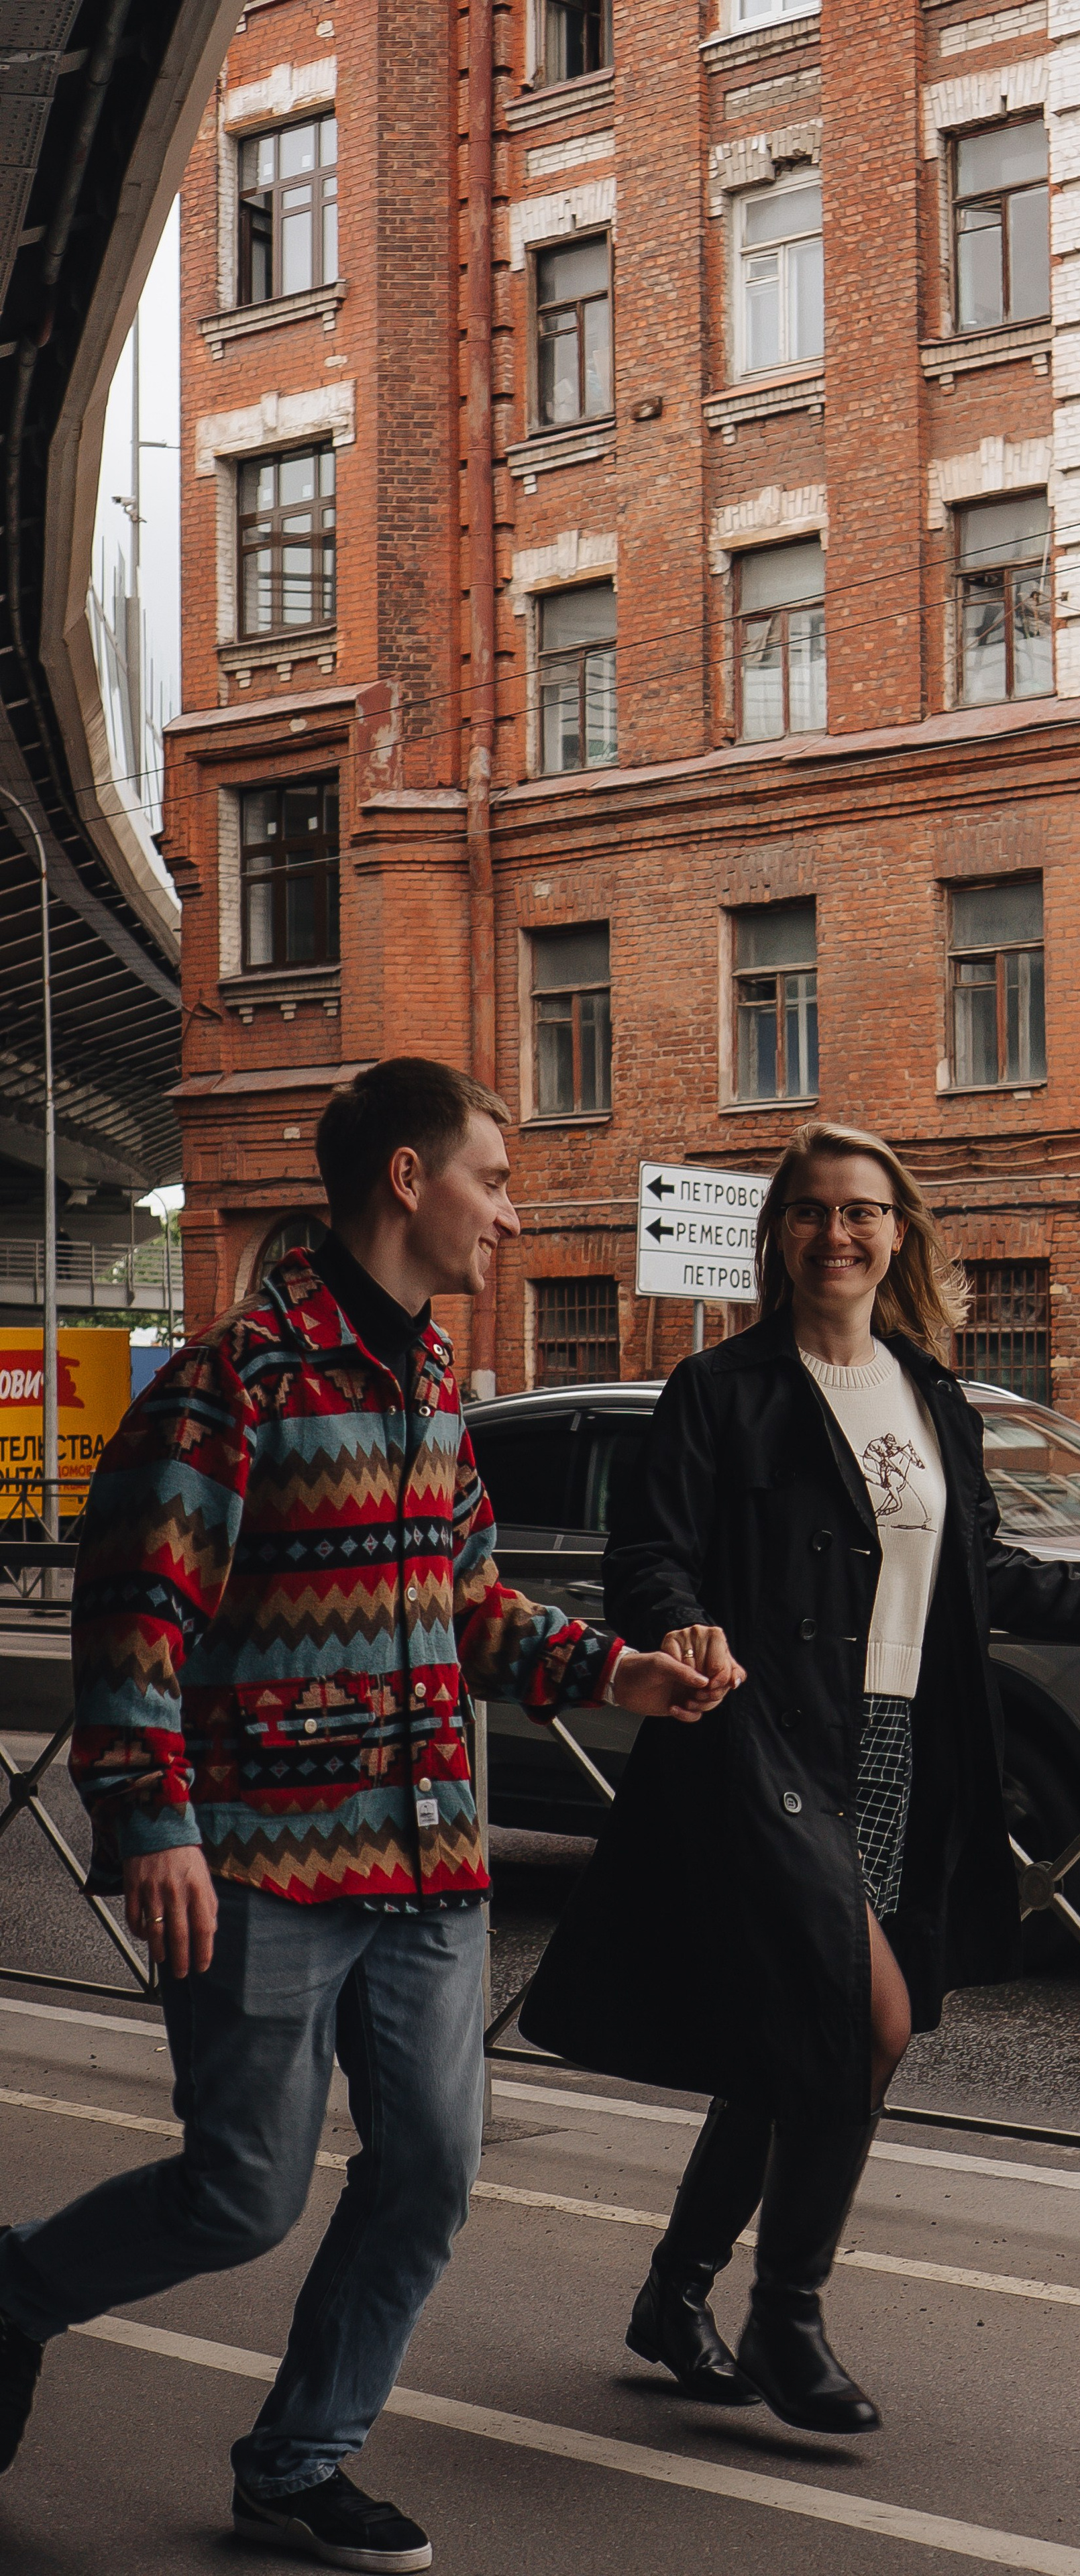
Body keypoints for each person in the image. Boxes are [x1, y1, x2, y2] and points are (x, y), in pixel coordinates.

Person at [0, 1058, 724, 2572]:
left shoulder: (433, 1384)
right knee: (241, 2193)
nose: (511, 1218)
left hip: (428, 1870)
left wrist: (616, 1671)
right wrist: (156, 1825)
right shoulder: (236, 1380)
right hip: (261, 1864)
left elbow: (462, 1602)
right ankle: (16, 2293)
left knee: (430, 2178)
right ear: (409, 1180)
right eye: (496, 1180)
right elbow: (138, 1620)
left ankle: (300, 2461)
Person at [519, 1118, 1080, 2436]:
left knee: (802, 2034)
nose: (836, 1234)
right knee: (868, 2021)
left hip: (903, 1746)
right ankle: (785, 2316)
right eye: (810, 1211)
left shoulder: (932, 1397)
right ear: (779, 1236)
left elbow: (991, 1580)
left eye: (861, 1211)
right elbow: (649, 1554)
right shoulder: (720, 1390)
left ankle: (674, 2293)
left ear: (895, 1234)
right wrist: (679, 1624)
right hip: (764, 1741)